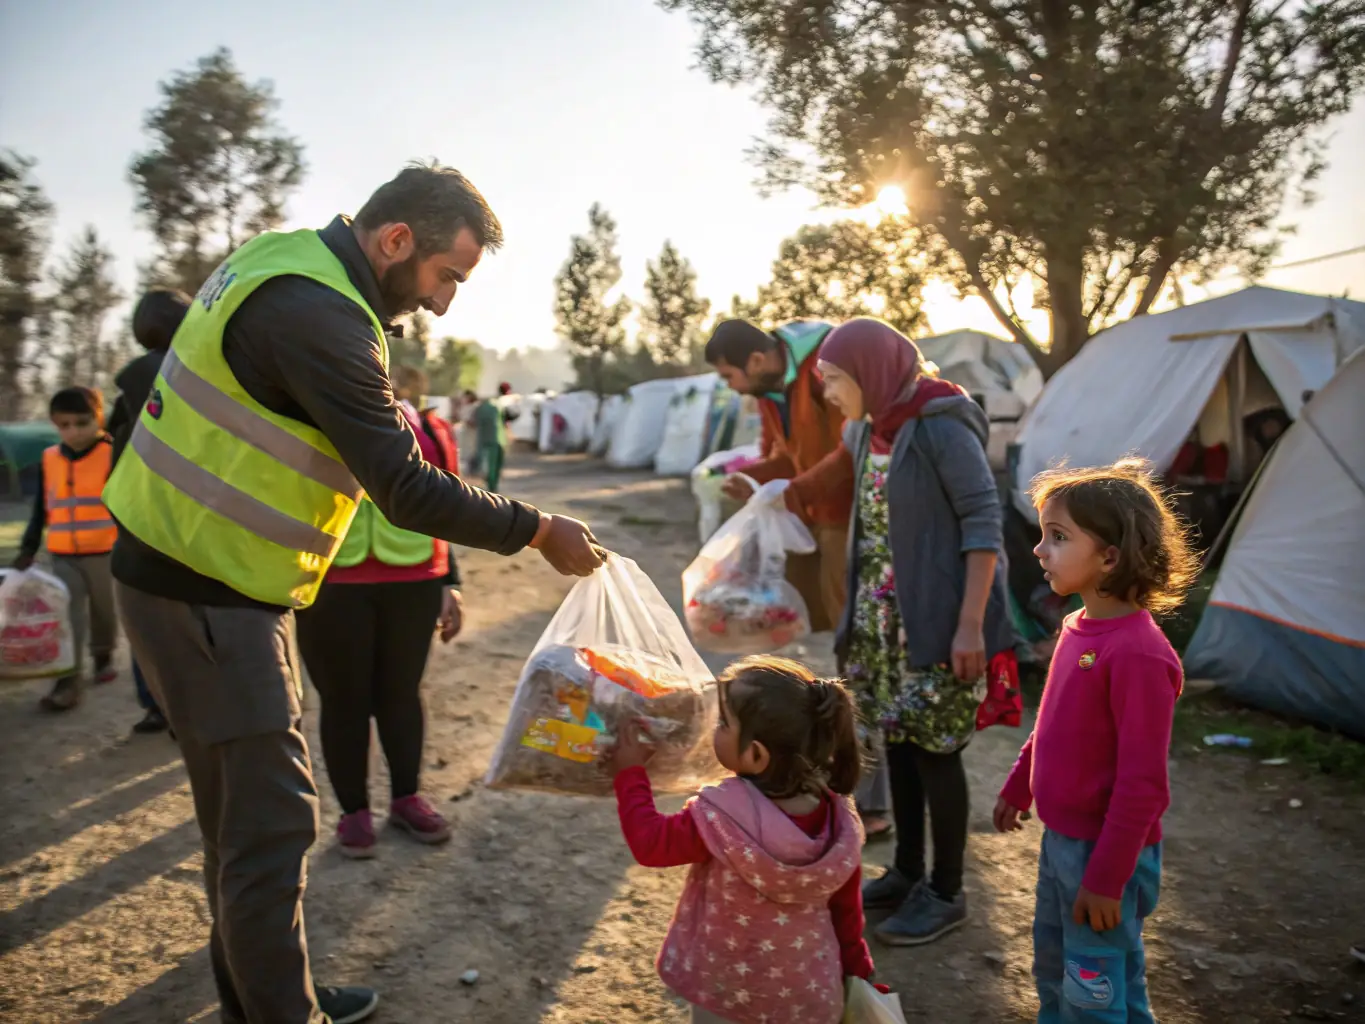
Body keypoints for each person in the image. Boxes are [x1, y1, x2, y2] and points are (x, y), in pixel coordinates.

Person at [102, 162, 606, 1024]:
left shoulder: (281, 258)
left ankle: (270, 997)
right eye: (445, 276)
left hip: (179, 576)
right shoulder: (323, 316)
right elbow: (404, 487)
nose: (444, 303)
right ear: (395, 240)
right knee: (268, 830)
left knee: (237, 828)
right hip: (206, 596)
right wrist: (536, 528)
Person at [814, 318, 1016, 945]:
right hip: (879, 623)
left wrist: (969, 626)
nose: (828, 393)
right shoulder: (865, 431)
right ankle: (905, 872)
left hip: (936, 622)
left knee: (936, 752)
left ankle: (948, 890)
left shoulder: (940, 425)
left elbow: (984, 522)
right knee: (895, 743)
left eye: (836, 379)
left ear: (871, 373)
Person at [995, 460, 1195, 1022]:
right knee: (1064, 968)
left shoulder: (1137, 654)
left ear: (1110, 556)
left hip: (1104, 854)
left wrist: (1107, 881)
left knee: (1093, 991)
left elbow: (1143, 786)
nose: (1038, 550)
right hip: (1065, 842)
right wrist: (1020, 784)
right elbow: (1055, 723)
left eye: (1057, 537)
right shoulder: (1077, 626)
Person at [605, 656, 877, 1024]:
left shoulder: (723, 815)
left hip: (728, 994)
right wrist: (860, 973)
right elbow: (847, 913)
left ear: (756, 754)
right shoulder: (840, 819)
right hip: (807, 993)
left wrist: (631, 773)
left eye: (722, 723)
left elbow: (651, 843)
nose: (713, 729)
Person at [296, 365, 465, 858]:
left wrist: (448, 581)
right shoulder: (308, 418)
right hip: (330, 580)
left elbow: (444, 499)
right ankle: (354, 812)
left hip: (412, 579)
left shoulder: (427, 426)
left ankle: (407, 798)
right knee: (344, 701)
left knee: (401, 694)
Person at [703, 318, 851, 635]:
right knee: (822, 610)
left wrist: (797, 491)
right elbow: (786, 456)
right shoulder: (769, 392)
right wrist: (750, 477)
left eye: (729, 376)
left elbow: (852, 447)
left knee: (850, 616)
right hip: (815, 513)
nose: (730, 386)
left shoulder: (824, 367)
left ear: (756, 361)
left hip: (849, 514)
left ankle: (861, 682)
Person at [105, 287, 192, 734]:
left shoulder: (126, 395)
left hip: (137, 527)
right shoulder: (197, 377)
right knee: (190, 627)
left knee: (149, 626)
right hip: (186, 528)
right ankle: (186, 711)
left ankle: (157, 705)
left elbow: (115, 455)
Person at [14, 386, 119, 712]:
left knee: (104, 611)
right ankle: (67, 682)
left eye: (81, 422)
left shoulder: (113, 453)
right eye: (63, 425)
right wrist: (28, 547)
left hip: (105, 552)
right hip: (62, 555)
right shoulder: (49, 458)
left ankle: (103, 656)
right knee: (67, 615)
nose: (72, 432)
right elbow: (40, 510)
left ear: (99, 419)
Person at [473, 382, 514, 491]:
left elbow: (475, 422)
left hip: (485, 439)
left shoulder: (481, 407)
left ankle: (491, 485)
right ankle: (493, 487)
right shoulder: (501, 404)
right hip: (498, 439)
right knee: (495, 465)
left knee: (489, 465)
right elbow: (507, 420)